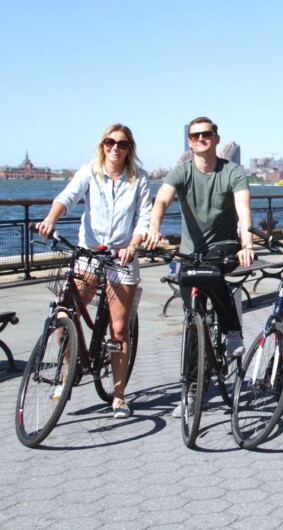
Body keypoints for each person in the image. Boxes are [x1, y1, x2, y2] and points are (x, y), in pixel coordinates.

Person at [37, 124, 152, 419]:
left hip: (121, 259)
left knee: (118, 329)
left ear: (130, 149)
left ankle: (118, 396)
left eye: (122, 144)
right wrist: (51, 219)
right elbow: (68, 197)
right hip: (88, 254)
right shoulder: (90, 170)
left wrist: (134, 244)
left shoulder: (139, 179)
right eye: (110, 142)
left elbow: (144, 219)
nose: (115, 147)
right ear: (102, 145)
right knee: (64, 314)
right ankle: (69, 367)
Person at [144, 117, 255, 418]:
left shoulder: (232, 172)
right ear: (189, 142)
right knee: (193, 321)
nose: (201, 139)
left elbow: (244, 212)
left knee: (212, 272)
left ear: (217, 139)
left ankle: (232, 331)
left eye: (207, 134)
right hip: (190, 253)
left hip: (224, 247)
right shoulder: (181, 172)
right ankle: (192, 390)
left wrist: (247, 244)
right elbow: (161, 201)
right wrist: (154, 228)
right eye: (195, 136)